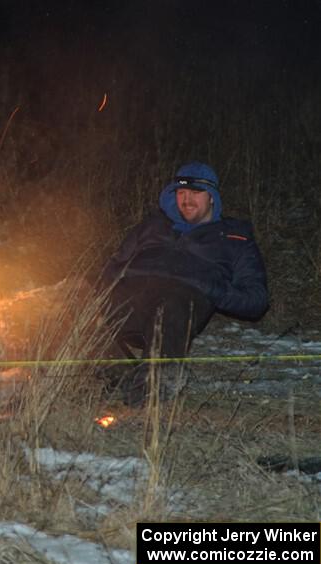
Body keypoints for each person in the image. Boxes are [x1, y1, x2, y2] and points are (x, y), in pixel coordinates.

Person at [99, 161, 269, 406]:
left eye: (196, 192)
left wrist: (211, 288)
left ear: (212, 197)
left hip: (178, 307)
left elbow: (257, 300)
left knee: (172, 303)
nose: (187, 200)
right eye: (181, 193)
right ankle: (113, 373)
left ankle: (151, 390)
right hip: (130, 301)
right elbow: (112, 267)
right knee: (70, 295)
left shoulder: (235, 238)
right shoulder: (152, 225)